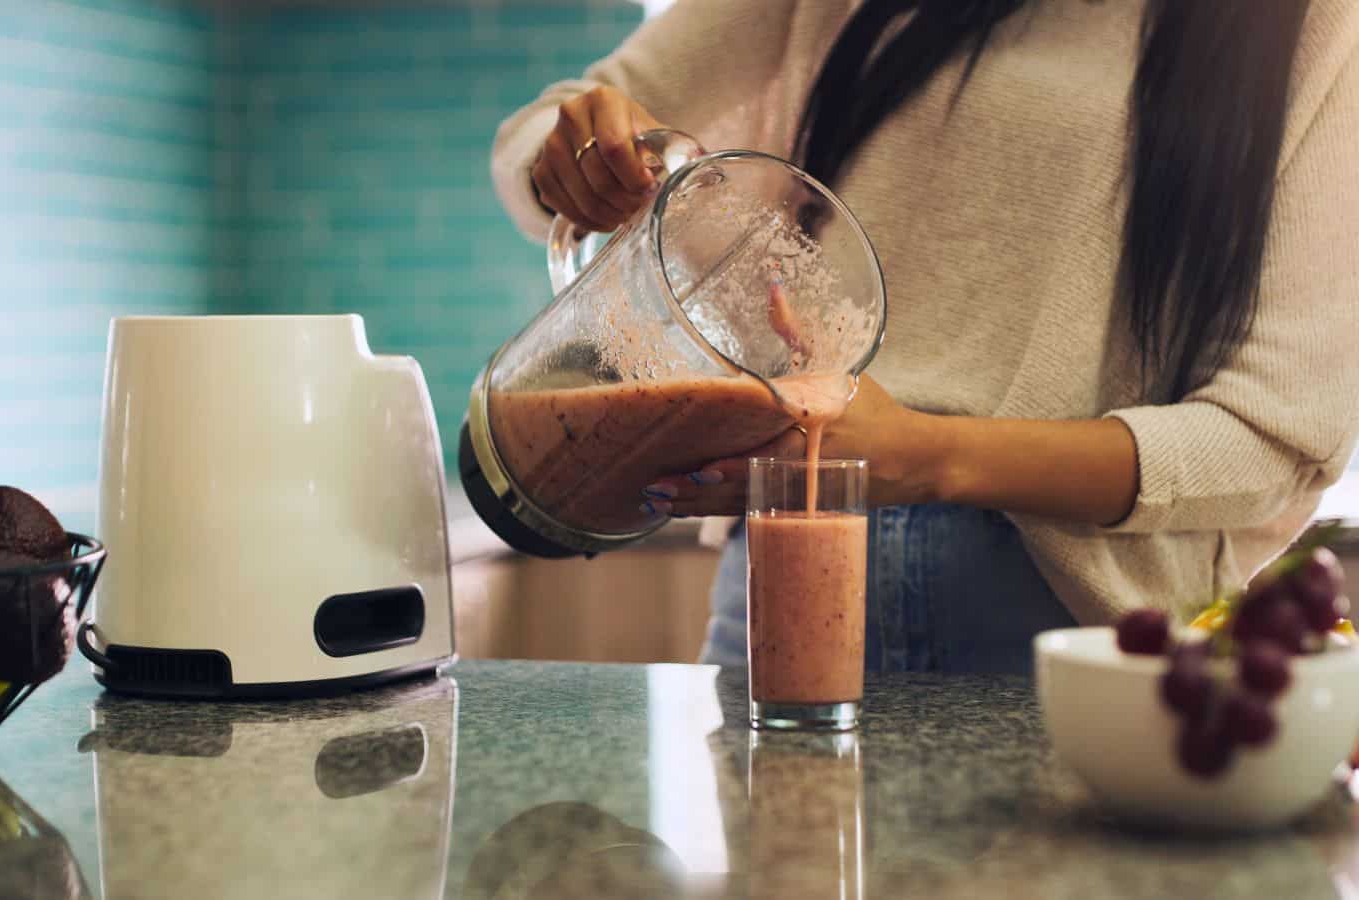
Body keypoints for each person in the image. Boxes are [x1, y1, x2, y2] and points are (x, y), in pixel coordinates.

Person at [489, 0, 1359, 673]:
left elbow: (1272, 436)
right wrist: (576, 157)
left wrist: (929, 455)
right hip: (783, 578)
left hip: (1078, 638)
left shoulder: (1317, 27)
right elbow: (549, 127)